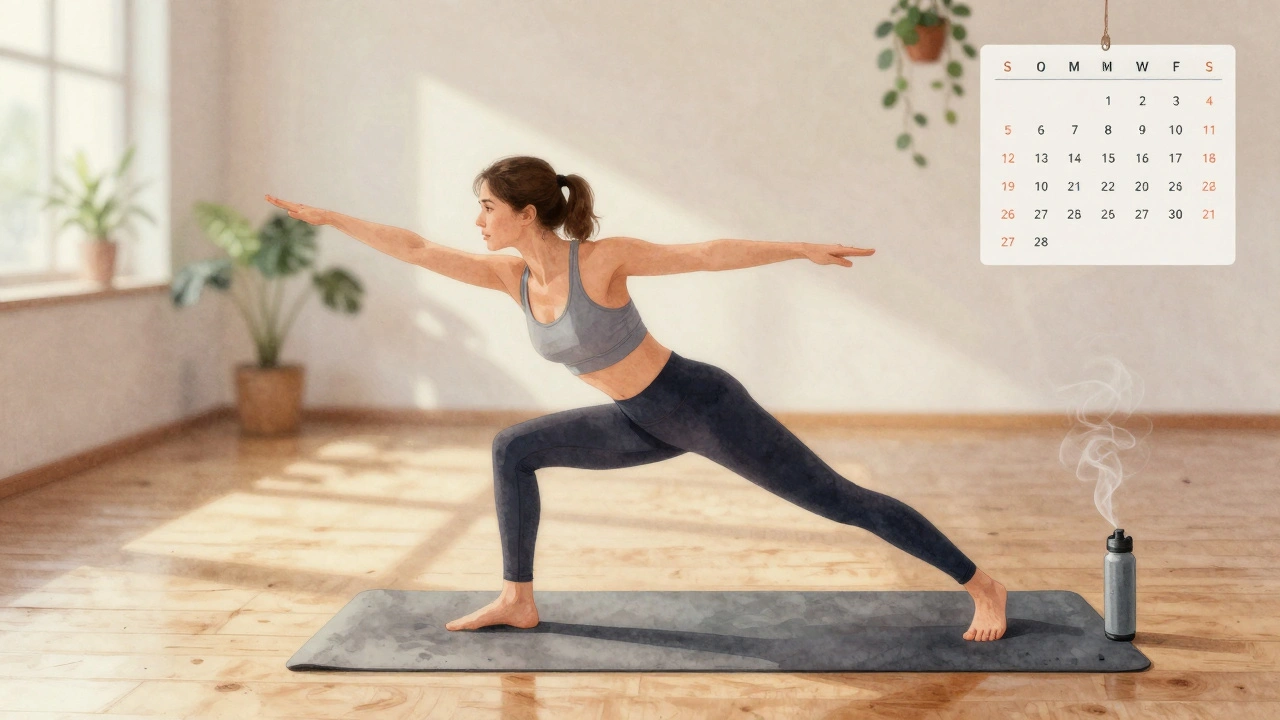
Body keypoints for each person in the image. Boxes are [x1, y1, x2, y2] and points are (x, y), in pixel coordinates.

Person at [264, 155, 1008, 642]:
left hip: (699, 404)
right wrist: (332, 219)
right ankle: (518, 598)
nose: (478, 220)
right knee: (513, 448)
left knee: (839, 501)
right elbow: (417, 248)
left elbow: (705, 255)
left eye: (486, 206)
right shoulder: (510, 277)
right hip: (638, 420)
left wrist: (798, 248)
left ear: (526, 212)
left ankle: (983, 585)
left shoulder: (603, 260)